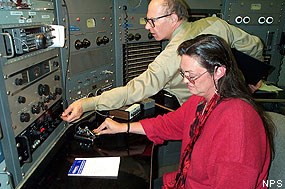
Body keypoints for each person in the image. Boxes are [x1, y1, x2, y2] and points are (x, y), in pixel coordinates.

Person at [93, 34, 275, 189]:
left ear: (219, 71)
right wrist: (122, 127)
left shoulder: (238, 124)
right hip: (184, 181)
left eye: (192, 76)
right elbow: (169, 124)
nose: (186, 81)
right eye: (183, 74)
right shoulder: (202, 99)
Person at [61, 0, 264, 122]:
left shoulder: (174, 56)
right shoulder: (217, 24)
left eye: (152, 21)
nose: (147, 27)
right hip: (238, 108)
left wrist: (88, 103)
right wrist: (250, 80)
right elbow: (254, 45)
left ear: (173, 18)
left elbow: (134, 90)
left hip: (205, 119)